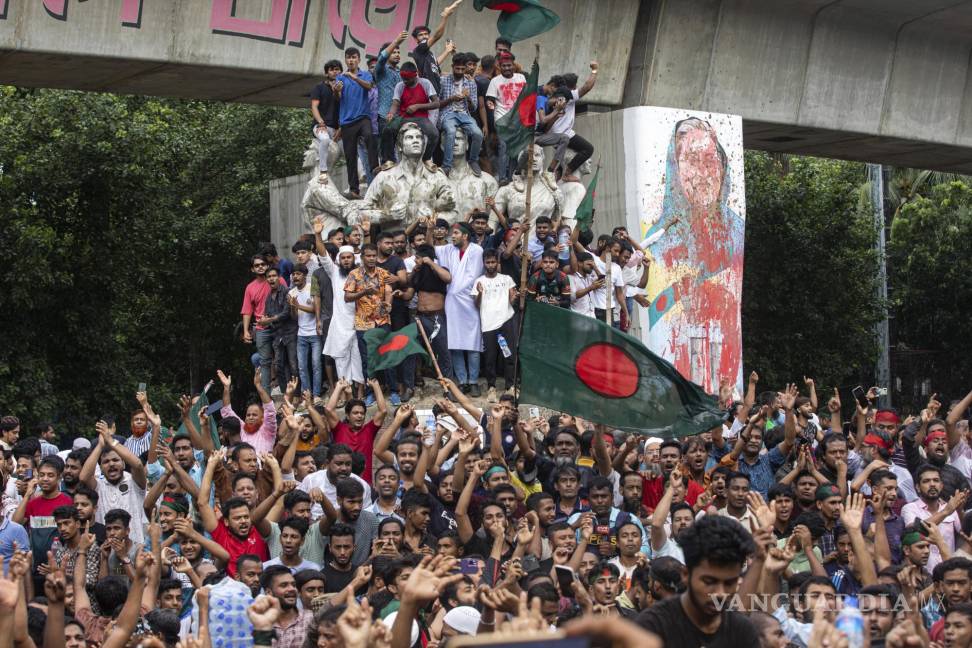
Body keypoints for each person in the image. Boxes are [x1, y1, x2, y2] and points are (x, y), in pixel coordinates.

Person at [636, 515, 761, 646]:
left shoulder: (743, 632)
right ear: (685, 574)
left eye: (729, 583)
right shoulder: (653, 627)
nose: (720, 593)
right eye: (709, 582)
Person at [433, 221, 484, 396]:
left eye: (455, 233)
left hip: (471, 301)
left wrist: (456, 290)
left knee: (473, 343)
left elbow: (473, 276)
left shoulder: (477, 250)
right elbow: (431, 248)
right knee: (455, 343)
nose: (451, 236)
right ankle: (462, 381)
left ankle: (474, 380)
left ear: (465, 235)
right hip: (453, 302)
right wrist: (430, 229)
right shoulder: (448, 249)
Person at [472, 249, 517, 400]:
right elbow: (477, 305)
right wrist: (479, 293)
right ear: (484, 263)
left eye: (493, 262)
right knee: (490, 358)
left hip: (506, 321)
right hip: (489, 324)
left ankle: (510, 387)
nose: (490, 265)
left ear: (497, 262)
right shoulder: (479, 281)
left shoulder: (506, 279)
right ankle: (491, 387)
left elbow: (511, 300)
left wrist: (514, 297)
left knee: (508, 355)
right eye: (488, 262)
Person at [337, 47, 378, 198]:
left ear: (359, 59)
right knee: (350, 155)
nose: (351, 60)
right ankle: (354, 189)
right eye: (348, 58)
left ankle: (375, 168)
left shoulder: (366, 74)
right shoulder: (341, 78)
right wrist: (336, 90)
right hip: (347, 121)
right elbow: (338, 98)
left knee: (369, 136)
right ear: (346, 60)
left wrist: (354, 77)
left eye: (354, 57)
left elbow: (369, 87)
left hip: (363, 117)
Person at [382, 62, 440, 163]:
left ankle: (426, 159)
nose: (405, 81)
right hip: (404, 118)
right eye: (403, 79)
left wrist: (418, 106)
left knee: (434, 134)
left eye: (408, 79)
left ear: (415, 75)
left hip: (422, 118)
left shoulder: (425, 83)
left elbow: (436, 103)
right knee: (387, 130)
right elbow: (395, 103)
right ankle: (390, 160)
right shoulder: (400, 86)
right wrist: (391, 114)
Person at [438, 53, 482, 176]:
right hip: (448, 113)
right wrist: (452, 98)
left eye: (463, 69)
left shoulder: (470, 83)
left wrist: (467, 98)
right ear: (452, 67)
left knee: (478, 133)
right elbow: (437, 103)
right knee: (451, 131)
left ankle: (473, 160)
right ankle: (447, 165)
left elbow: (474, 108)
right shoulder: (443, 80)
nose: (460, 71)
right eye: (457, 69)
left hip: (464, 114)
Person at [486, 52, 526, 182]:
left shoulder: (521, 78)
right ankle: (502, 177)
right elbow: (489, 100)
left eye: (509, 65)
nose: (507, 68)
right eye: (504, 66)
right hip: (502, 118)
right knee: (503, 146)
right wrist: (490, 104)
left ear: (513, 65)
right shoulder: (495, 81)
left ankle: (511, 177)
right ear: (499, 66)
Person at [310, 59, 342, 181]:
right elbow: (314, 107)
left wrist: (340, 129)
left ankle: (353, 186)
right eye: (332, 70)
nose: (335, 72)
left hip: (337, 129)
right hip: (320, 126)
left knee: (350, 151)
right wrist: (320, 122)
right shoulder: (319, 88)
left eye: (337, 69)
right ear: (326, 73)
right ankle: (323, 171)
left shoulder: (344, 89)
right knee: (325, 140)